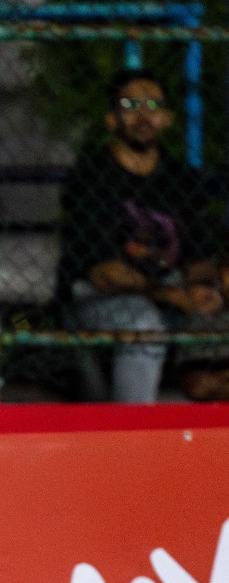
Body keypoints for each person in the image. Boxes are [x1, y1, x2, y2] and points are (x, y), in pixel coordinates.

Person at [59, 68, 222, 404]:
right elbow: (105, 273)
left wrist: (202, 289)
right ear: (111, 119)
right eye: (131, 104)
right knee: (144, 323)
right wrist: (172, 294)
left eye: (153, 105)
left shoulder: (180, 179)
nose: (144, 114)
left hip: (170, 290)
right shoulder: (92, 178)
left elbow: (200, 257)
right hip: (99, 297)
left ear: (167, 118)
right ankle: (134, 434)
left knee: (212, 311)